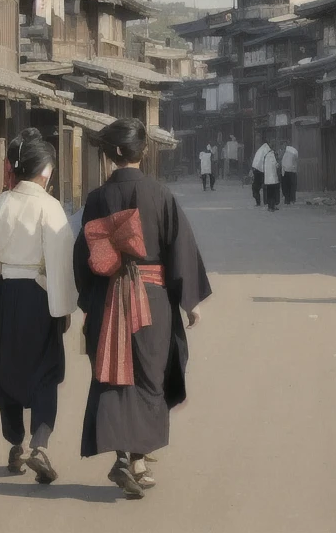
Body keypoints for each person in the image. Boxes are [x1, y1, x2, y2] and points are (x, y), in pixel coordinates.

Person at [74, 118, 212, 499]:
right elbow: (179, 248)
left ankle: (123, 457)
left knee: (113, 374)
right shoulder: (161, 195)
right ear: (141, 152)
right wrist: (190, 302)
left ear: (112, 154)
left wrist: (90, 301)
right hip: (152, 300)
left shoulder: (97, 199)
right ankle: (137, 460)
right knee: (150, 376)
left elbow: (84, 256)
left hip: (108, 297)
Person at [0, 129, 76, 485]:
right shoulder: (50, 207)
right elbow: (61, 261)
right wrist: (63, 309)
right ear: (45, 170)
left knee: (7, 367)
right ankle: (39, 444)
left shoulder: (2, 203)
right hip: (41, 296)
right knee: (46, 368)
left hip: (6, 296)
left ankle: (15, 445)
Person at [251, 133, 272, 207]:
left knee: (257, 187)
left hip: (260, 170)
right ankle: (263, 202)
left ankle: (261, 202)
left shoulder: (264, 149)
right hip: (260, 170)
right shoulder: (264, 149)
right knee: (261, 187)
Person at [263, 144, 281, 212]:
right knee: (273, 192)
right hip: (272, 178)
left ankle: (270, 206)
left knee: (269, 192)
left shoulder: (266, 156)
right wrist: (278, 164)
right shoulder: (271, 156)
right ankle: (272, 206)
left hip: (268, 178)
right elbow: (275, 165)